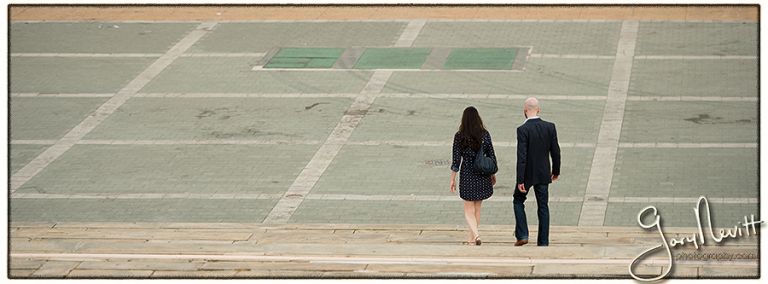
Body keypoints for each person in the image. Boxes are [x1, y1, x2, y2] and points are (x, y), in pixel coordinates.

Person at [514, 97, 561, 247]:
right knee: (543, 206)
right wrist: (555, 170)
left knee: (518, 200)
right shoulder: (550, 127)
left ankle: (522, 234)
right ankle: (543, 242)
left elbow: (522, 156)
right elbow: (556, 151)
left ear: (525, 110)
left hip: (527, 174)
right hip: (543, 172)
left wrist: (520, 180)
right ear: (538, 110)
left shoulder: (522, 130)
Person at [450, 106, 497, 246]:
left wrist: (452, 179)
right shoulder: (485, 135)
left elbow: (456, 161)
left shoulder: (459, 136)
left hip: (467, 175)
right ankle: (471, 240)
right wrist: (492, 173)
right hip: (482, 174)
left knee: (468, 210)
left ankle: (476, 236)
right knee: (477, 209)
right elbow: (491, 156)